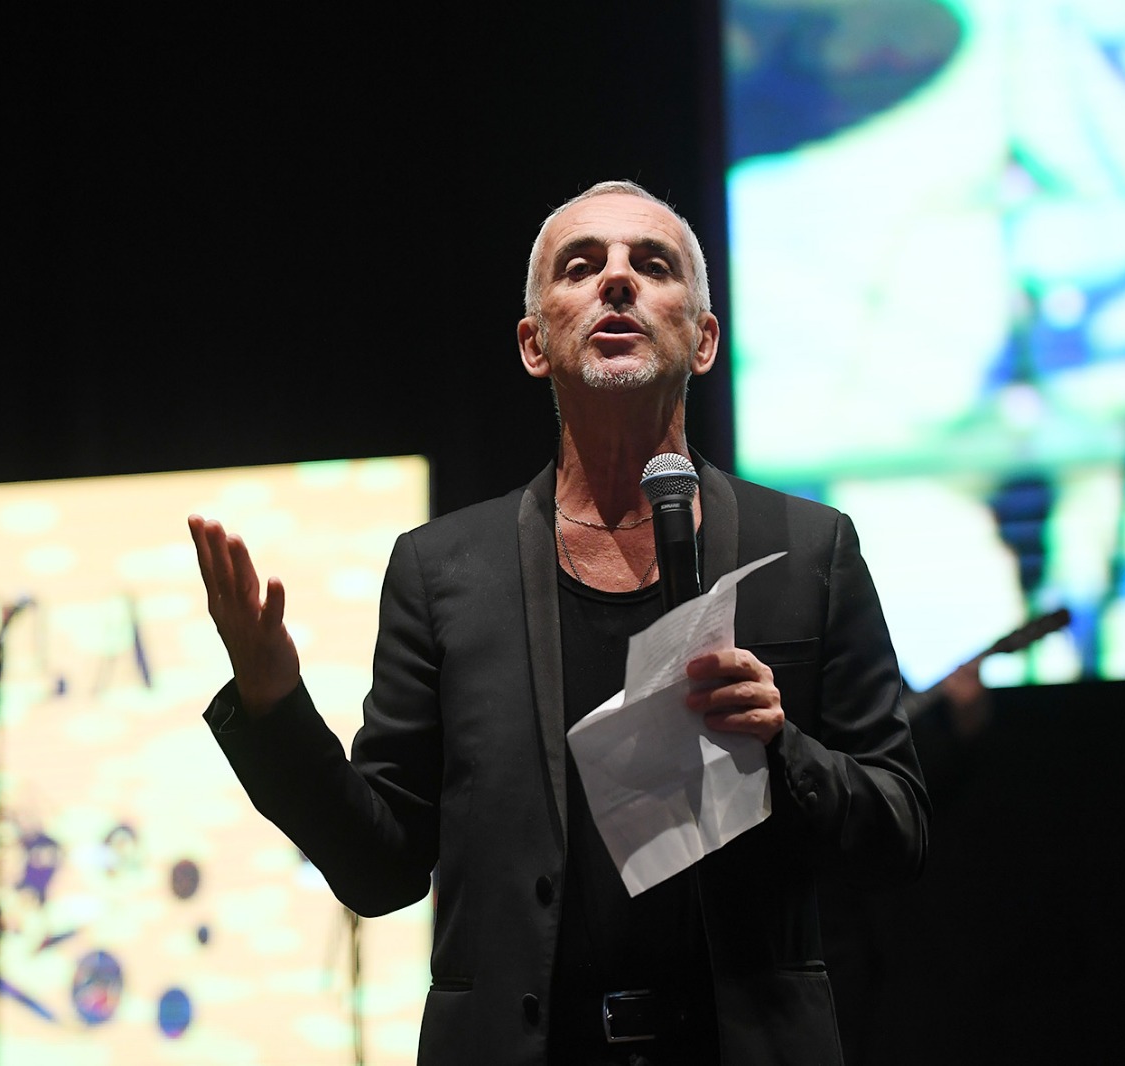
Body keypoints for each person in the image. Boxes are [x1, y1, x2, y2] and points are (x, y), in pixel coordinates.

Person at [188, 180, 928, 1065]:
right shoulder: (443, 571)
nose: (617, 279)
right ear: (534, 344)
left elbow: (899, 833)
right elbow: (380, 869)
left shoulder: (807, 549)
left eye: (651, 265)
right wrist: (273, 705)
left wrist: (783, 748)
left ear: (704, 340)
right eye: (581, 266)